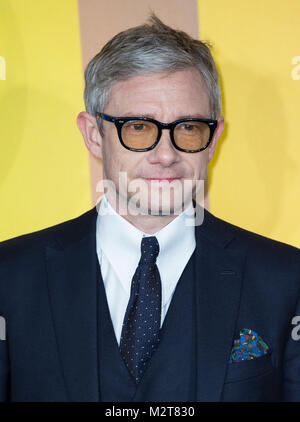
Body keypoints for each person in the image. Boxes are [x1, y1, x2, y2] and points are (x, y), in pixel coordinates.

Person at [0, 14, 300, 403]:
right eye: (138, 127)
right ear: (94, 135)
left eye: (189, 127)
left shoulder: (285, 281)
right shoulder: (9, 279)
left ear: (213, 139)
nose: (165, 155)